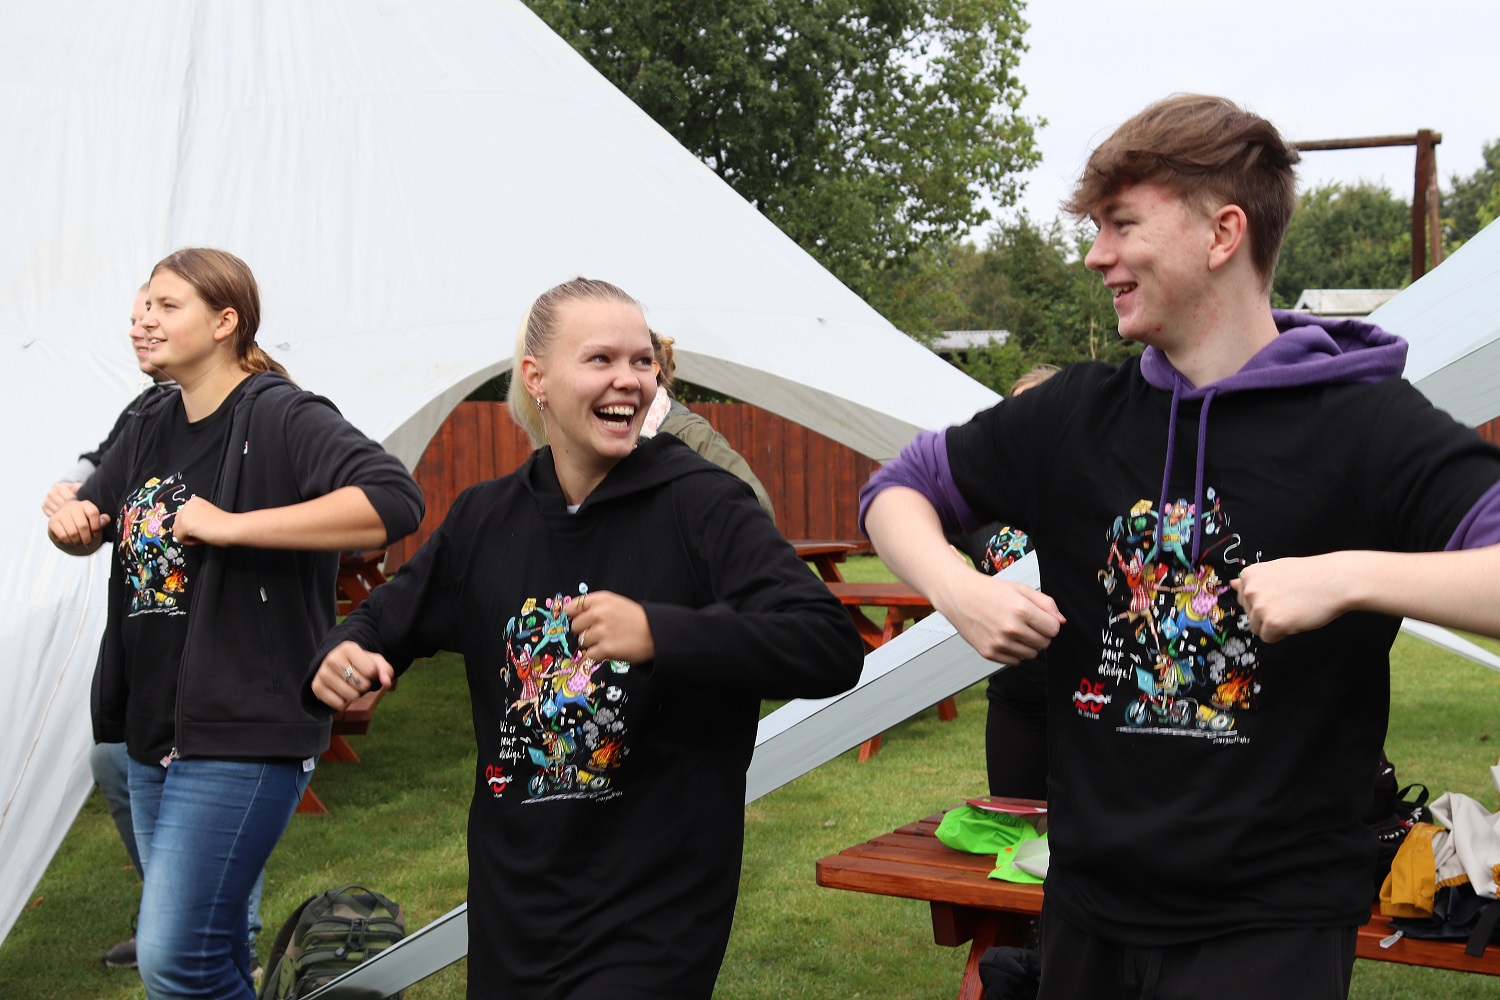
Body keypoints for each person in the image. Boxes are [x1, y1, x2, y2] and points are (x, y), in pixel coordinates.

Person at [859, 94, 1500, 999]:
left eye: (1122, 223)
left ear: (1222, 233)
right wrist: (958, 590)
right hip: (1085, 903)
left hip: (1269, 923)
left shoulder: (1366, 426)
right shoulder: (1075, 415)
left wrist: (1350, 577)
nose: (1097, 254)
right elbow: (897, 490)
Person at [308, 277, 863, 998]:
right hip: (515, 903)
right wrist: (347, 648)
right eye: (601, 359)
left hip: (655, 907)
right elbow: (387, 618)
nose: (629, 380)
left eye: (642, 361)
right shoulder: (486, 518)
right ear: (536, 378)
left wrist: (661, 631)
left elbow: (827, 645)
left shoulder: (705, 505)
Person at [47, 247, 424, 999]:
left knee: (172, 961)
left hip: (244, 726)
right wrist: (73, 522)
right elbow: (94, 505)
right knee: (210, 954)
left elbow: (393, 500)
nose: (142, 321)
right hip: (152, 726)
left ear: (225, 322)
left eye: (165, 306)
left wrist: (232, 525)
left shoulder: (281, 413)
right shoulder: (151, 419)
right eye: (141, 307)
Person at [961, 363, 1058, 801]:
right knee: (1014, 829)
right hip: (1014, 705)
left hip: (1091, 702)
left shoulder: (1096, 493)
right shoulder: (981, 500)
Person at [639, 330, 776, 519]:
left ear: (652, 368)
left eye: (631, 362)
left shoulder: (691, 434)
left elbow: (755, 504)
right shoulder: (607, 434)